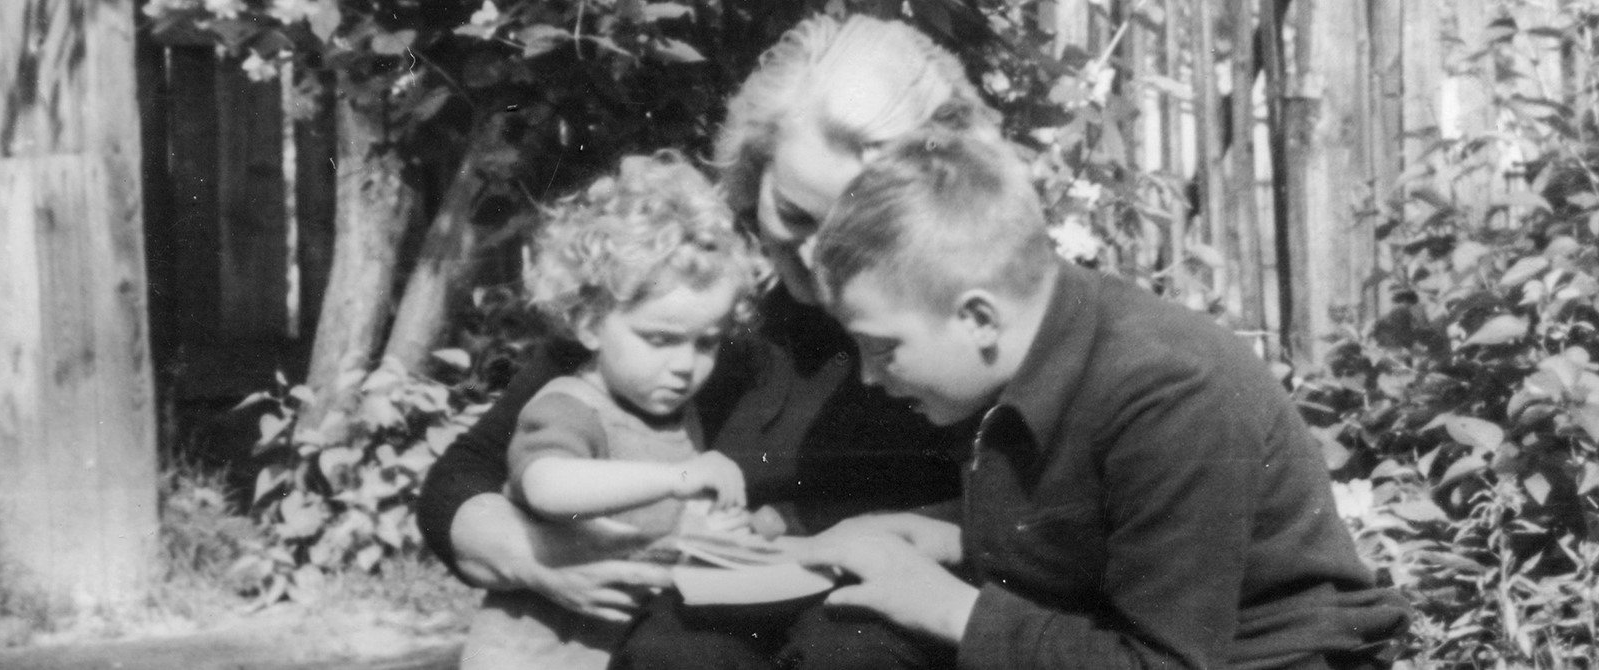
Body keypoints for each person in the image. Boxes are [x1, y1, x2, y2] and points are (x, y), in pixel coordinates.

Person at [417, 13, 979, 670]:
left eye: (851, 231)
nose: (815, 254)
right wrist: (536, 558)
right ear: (755, 169)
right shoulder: (700, 309)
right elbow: (465, 474)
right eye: (793, 215)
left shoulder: (958, 333)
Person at [798, 115, 1412, 669]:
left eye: (881, 348)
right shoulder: (1024, 343)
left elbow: (1160, 661)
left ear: (979, 319)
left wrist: (949, 607)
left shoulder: (1171, 396)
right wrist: (957, 537)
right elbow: (1096, 529)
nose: (868, 377)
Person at [461, 152, 770, 670]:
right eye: (659, 339)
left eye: (706, 344)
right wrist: (676, 479)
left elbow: (659, 529)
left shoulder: (676, 417)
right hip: (537, 653)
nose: (684, 366)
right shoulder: (572, 405)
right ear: (589, 323)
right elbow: (547, 486)